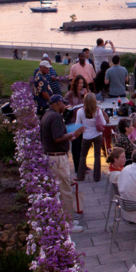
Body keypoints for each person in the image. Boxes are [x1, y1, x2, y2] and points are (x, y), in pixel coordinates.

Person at [40, 94, 85, 233]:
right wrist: (73, 134)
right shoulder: (56, 117)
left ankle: (65, 218)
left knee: (60, 190)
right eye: (63, 104)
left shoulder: (46, 115)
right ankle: (68, 224)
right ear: (57, 103)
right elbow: (58, 138)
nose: (65, 106)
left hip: (50, 156)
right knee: (65, 190)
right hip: (58, 158)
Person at [77, 94, 107, 182]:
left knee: (83, 155)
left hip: (86, 136)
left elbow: (77, 125)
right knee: (97, 156)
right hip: (98, 135)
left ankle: (80, 176)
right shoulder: (98, 111)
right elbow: (104, 123)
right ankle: (97, 177)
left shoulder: (80, 111)